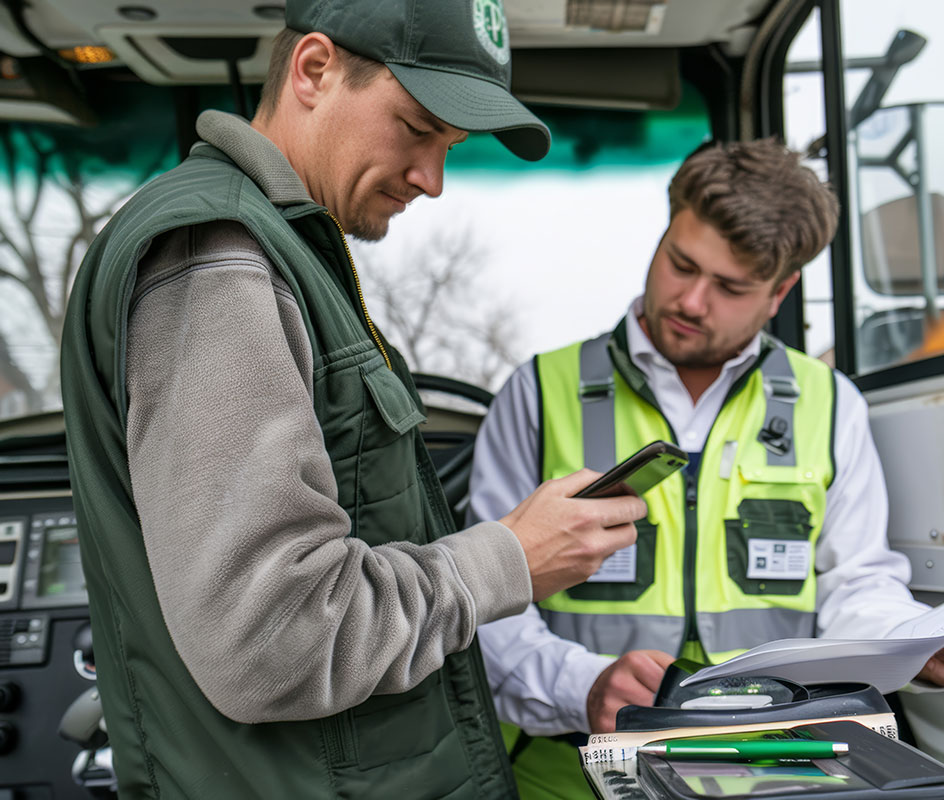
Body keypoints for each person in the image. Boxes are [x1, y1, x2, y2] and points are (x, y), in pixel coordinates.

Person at [59, 1, 647, 797]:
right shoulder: (219, 259)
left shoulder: (285, 253)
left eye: (450, 146)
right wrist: (508, 559)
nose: (432, 180)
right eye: (415, 127)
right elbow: (271, 639)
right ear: (313, 70)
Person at [468, 138, 944, 799]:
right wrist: (583, 687)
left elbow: (856, 589)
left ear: (780, 291)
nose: (690, 300)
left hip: (773, 776)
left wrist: (917, 649)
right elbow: (490, 605)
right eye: (680, 264)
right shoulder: (539, 392)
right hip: (567, 776)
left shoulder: (831, 406)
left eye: (731, 287)